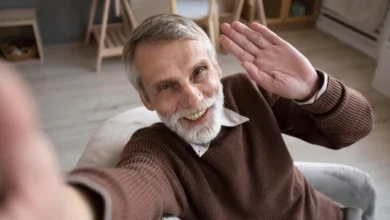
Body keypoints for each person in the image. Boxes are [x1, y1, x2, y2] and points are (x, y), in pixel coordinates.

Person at [0, 13, 373, 220]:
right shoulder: (156, 151)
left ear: (216, 67)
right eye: (166, 87)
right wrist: (60, 207)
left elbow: (355, 129)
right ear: (146, 99)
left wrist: (312, 87)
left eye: (199, 72)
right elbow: (133, 188)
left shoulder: (251, 90)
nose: (192, 97)